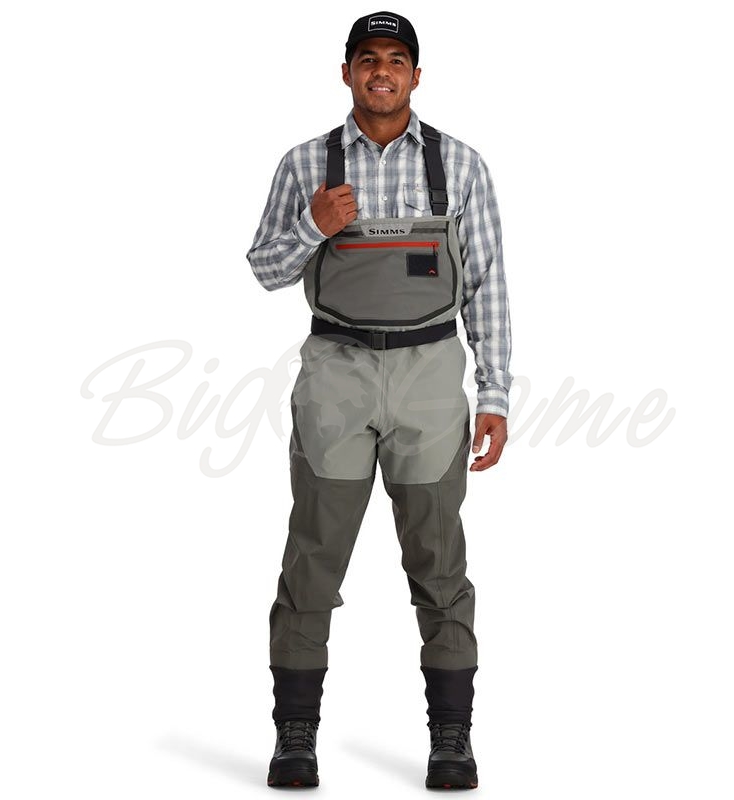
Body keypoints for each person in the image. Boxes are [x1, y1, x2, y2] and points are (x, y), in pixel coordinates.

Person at [246, 10, 513, 790]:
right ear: (347, 73)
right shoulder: (307, 163)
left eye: (397, 59)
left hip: (430, 377)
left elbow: (488, 283)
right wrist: (311, 225)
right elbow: (265, 268)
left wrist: (494, 393)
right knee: (313, 559)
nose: (382, 71)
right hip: (335, 374)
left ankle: (451, 739)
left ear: (416, 76)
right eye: (368, 58)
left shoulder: (459, 164)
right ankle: (295, 737)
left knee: (439, 563)